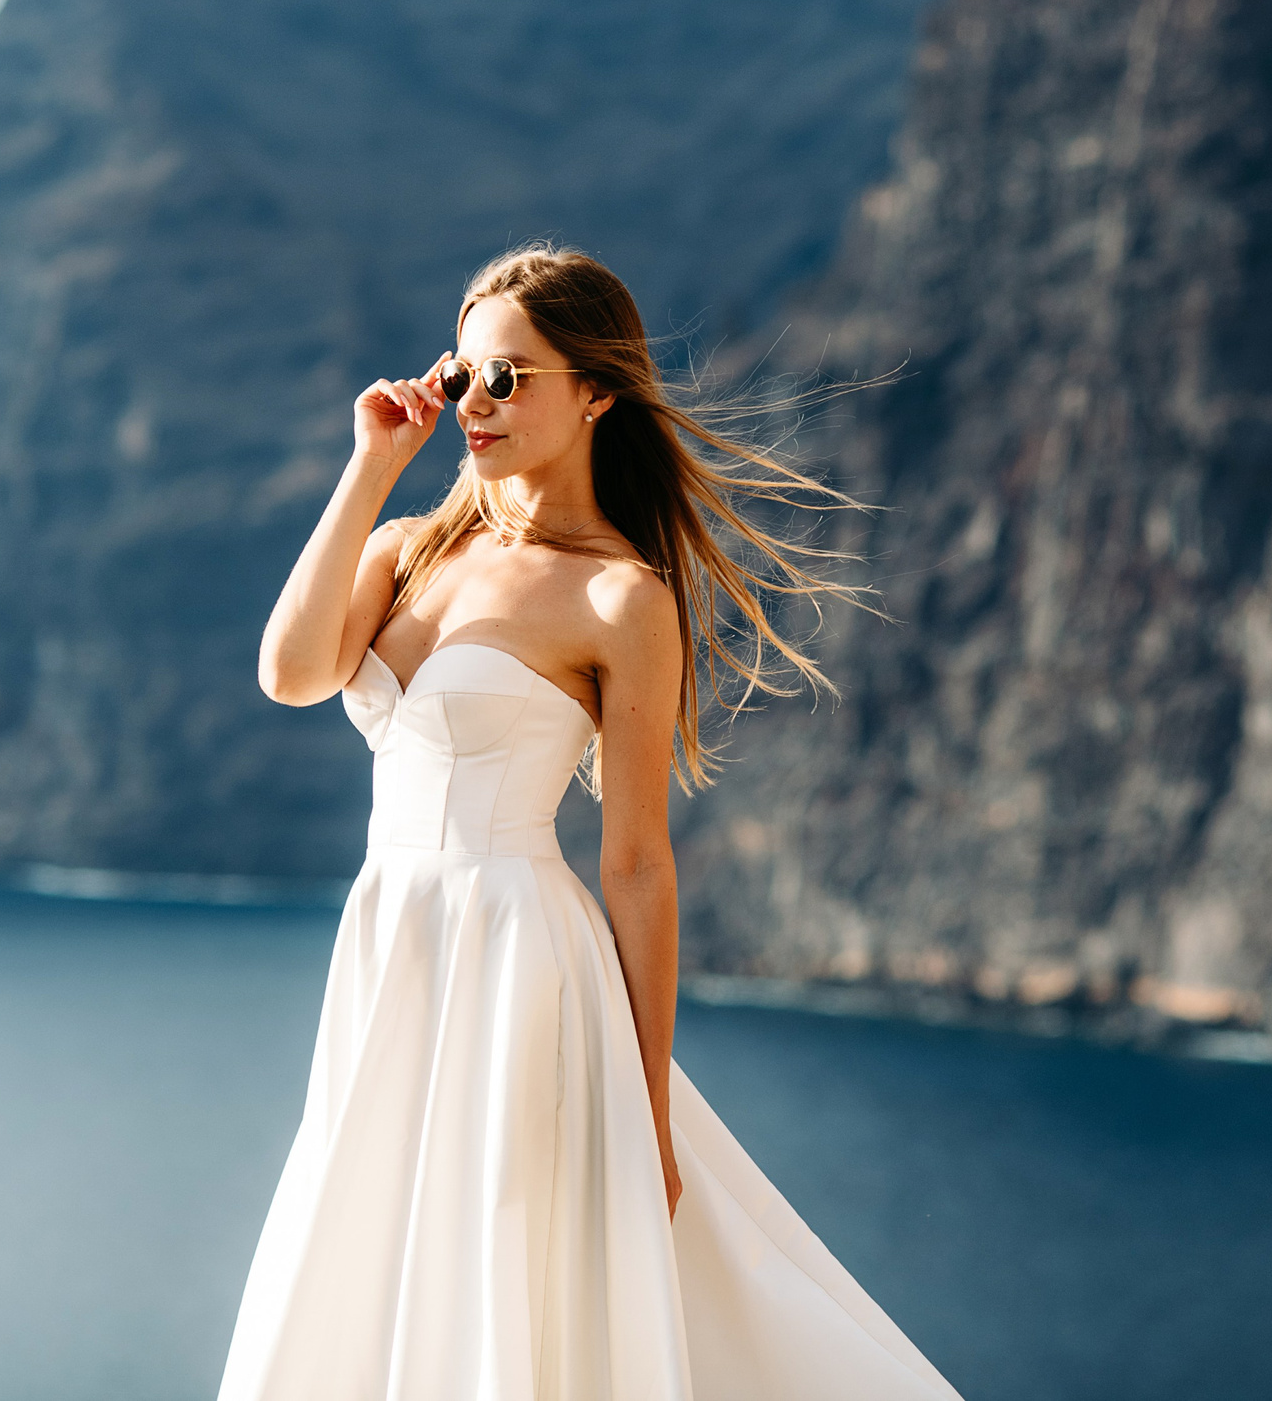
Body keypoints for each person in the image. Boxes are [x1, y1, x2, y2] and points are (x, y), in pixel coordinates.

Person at [220, 243, 965, 1400]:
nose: (476, 403)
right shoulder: (404, 550)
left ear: (597, 392)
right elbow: (291, 673)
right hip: (390, 945)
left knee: (497, 1264)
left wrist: (647, 1110)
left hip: (519, 962)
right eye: (462, 375)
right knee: (369, 1242)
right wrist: (372, 465)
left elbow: (638, 865)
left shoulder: (622, 597)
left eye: (508, 377)